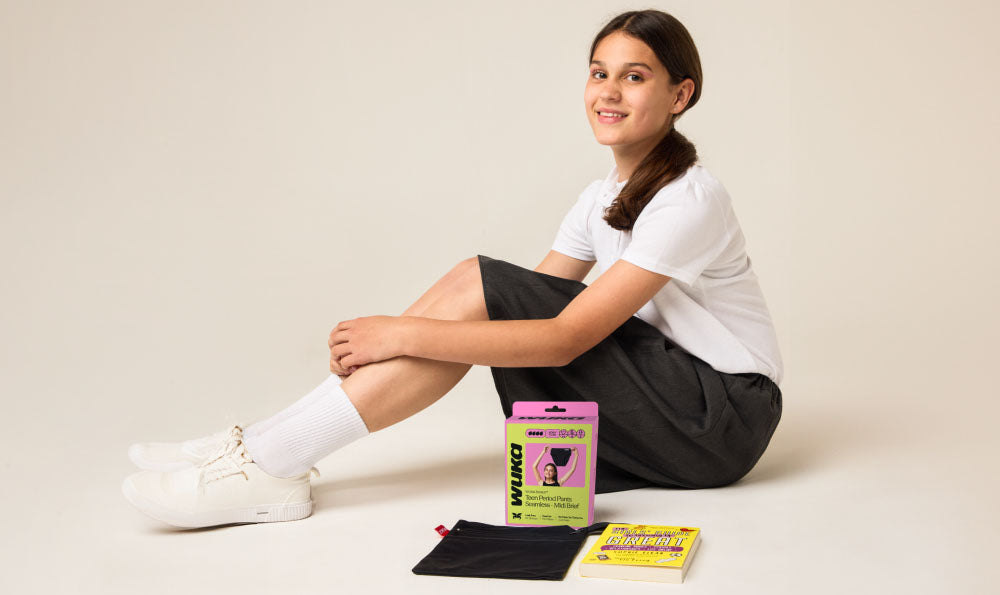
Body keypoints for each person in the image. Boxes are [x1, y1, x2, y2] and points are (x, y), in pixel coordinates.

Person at [122, 9, 784, 529]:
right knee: (479, 288)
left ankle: (271, 460)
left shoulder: (689, 196)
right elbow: (516, 305)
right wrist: (420, 329)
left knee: (480, 287)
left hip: (720, 418)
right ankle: (266, 452)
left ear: (680, 94)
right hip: (669, 392)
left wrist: (401, 334)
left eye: (634, 76)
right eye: (597, 72)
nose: (607, 91)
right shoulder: (598, 199)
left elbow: (561, 337)